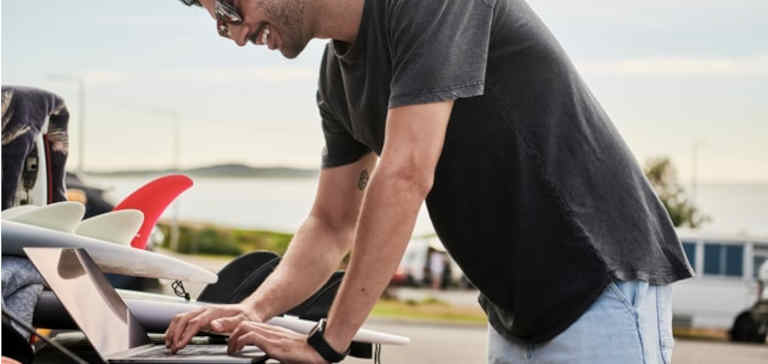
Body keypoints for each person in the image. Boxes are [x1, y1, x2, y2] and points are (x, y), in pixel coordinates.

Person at [167, 0, 694, 363]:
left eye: (230, 12)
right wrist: (253, 306)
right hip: (517, 312)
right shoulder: (336, 81)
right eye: (220, 25)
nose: (235, 36)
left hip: (601, 283)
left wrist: (329, 343)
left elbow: (405, 173)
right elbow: (330, 224)